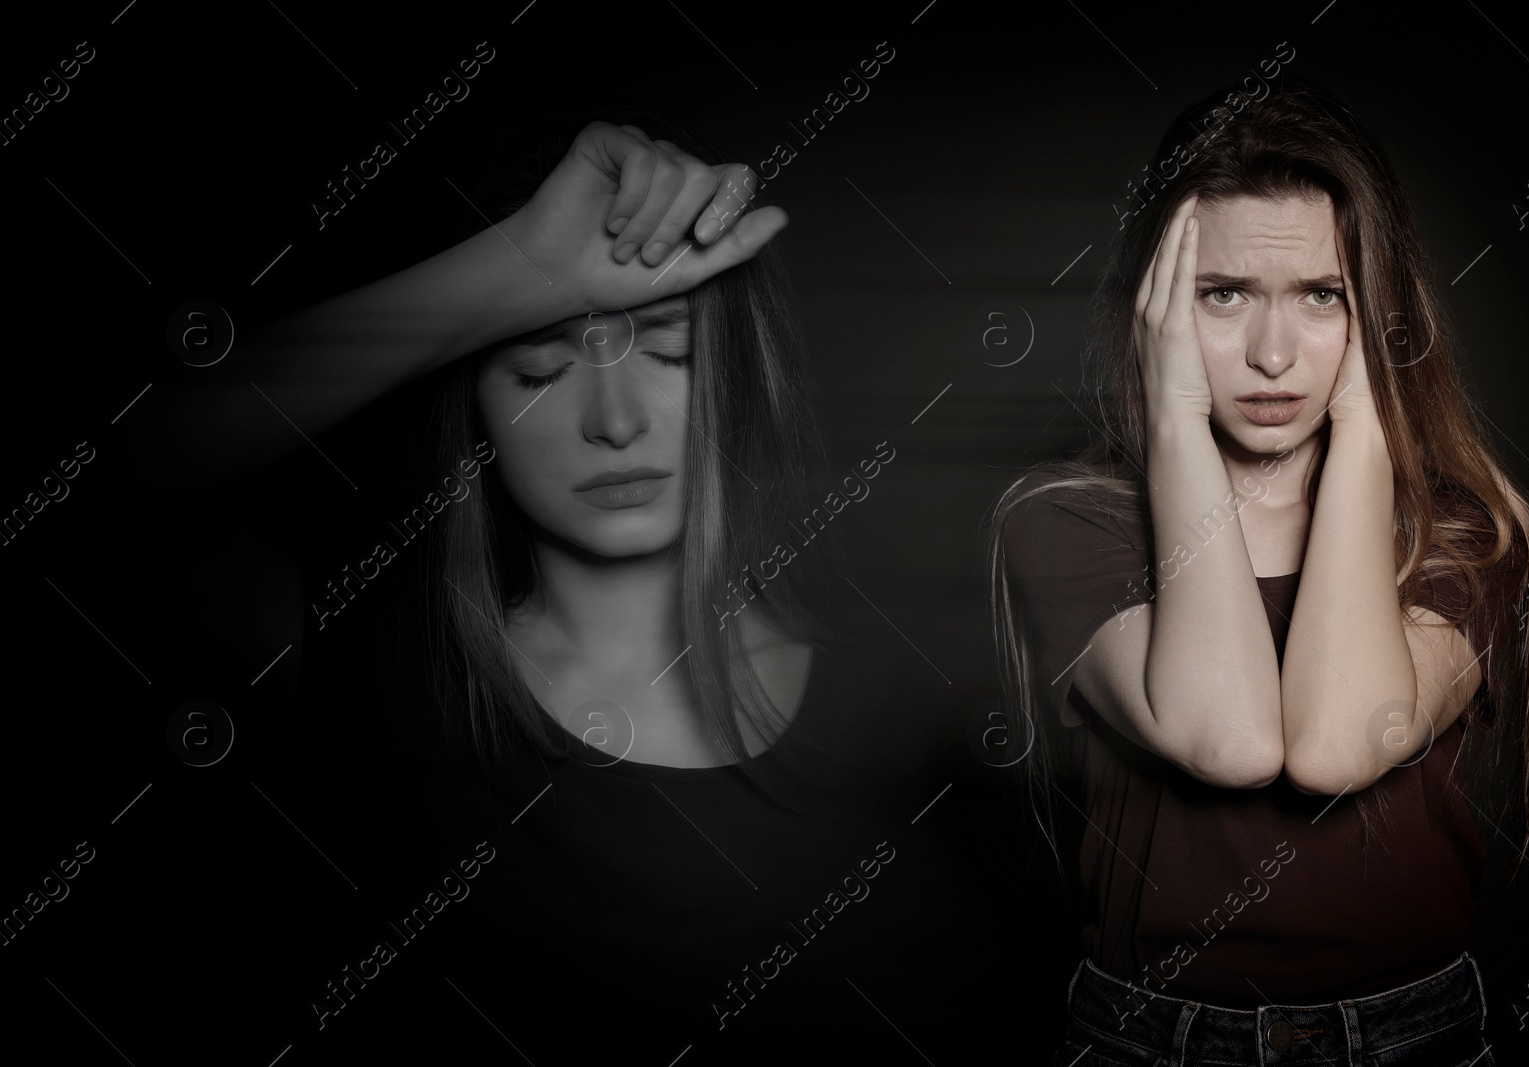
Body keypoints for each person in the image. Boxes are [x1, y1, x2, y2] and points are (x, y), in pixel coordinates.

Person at [102, 112, 1007, 1063]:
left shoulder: (915, 700)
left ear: (740, 376)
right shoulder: (374, 671)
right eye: (538, 368)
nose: (613, 422)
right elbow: (96, 491)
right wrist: (510, 272)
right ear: (474, 402)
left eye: (669, 353)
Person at [988, 79, 1529, 1066]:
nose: (1270, 352)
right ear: (1155, 311)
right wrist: (1170, 423)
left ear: (1378, 313)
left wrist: (1368, 438)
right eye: (1223, 294)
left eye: (1321, 296)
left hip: (1409, 1033)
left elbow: (1335, 745)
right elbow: (1234, 739)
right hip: (1147, 1040)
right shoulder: (1068, 522)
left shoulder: (1463, 534)